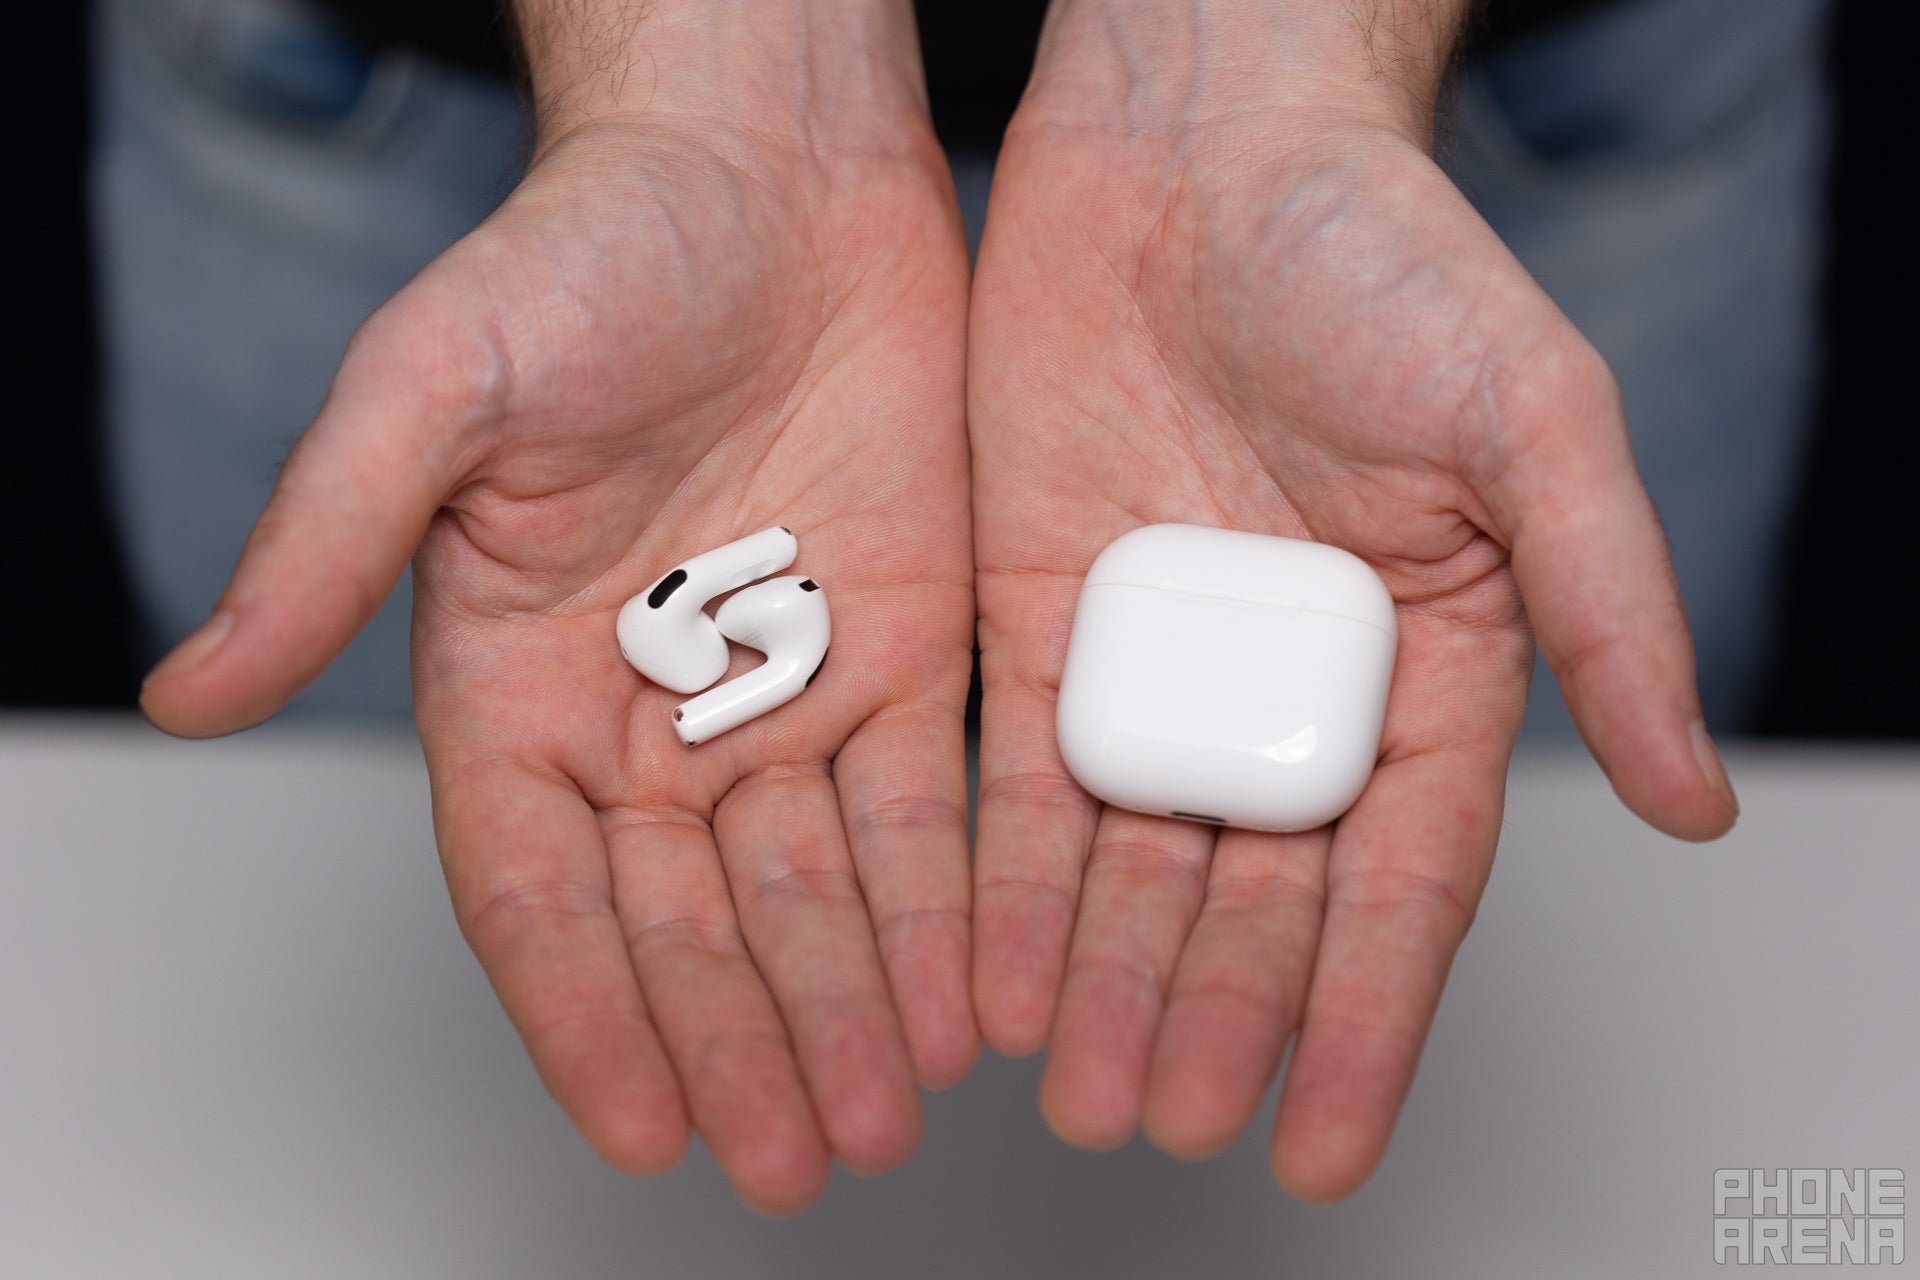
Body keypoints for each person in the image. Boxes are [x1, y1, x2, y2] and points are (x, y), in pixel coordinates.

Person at [127, 0, 1791, 1214]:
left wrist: (1260, 61)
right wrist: (711, 72)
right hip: (416, 85)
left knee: (1555, 838)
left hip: (1513, 89)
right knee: (396, 815)